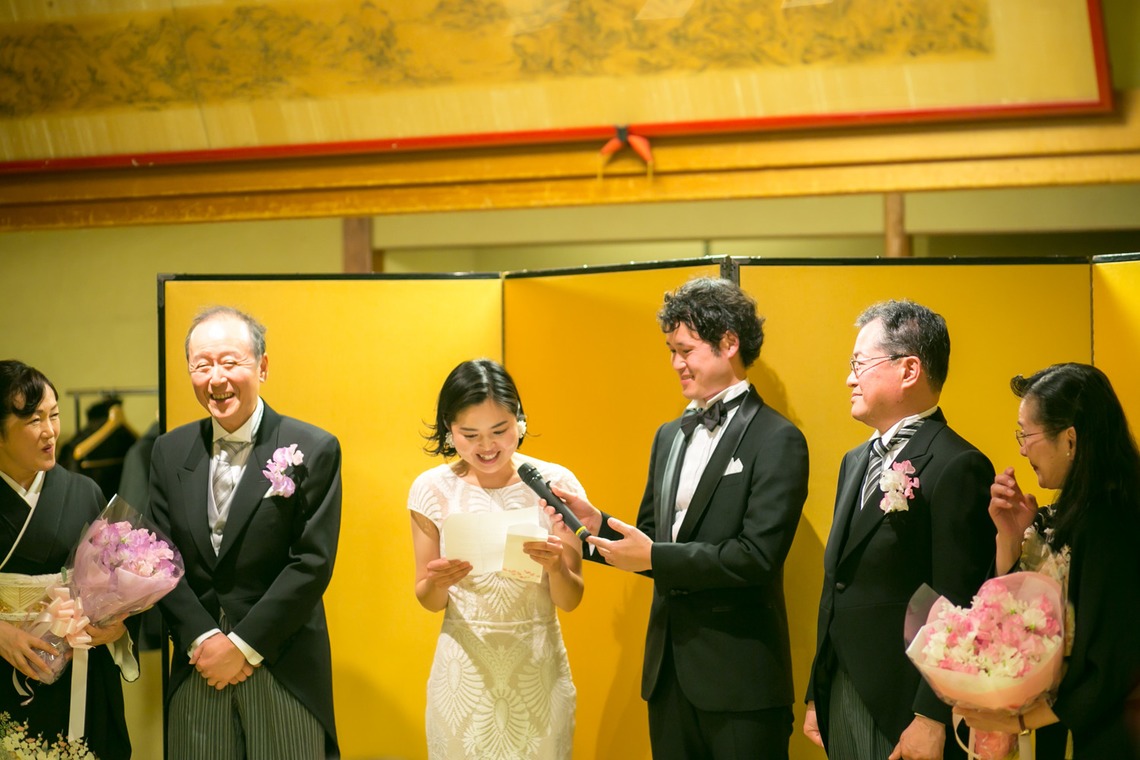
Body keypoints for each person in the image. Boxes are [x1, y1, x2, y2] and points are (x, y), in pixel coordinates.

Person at [553, 276, 810, 760]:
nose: (675, 363)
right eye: (671, 349)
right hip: (667, 679)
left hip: (742, 685)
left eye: (685, 350)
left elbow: (756, 558)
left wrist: (653, 554)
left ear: (728, 343)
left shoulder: (778, 439)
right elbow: (650, 545)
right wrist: (592, 523)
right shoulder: (669, 435)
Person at [803, 299, 995, 760]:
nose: (849, 378)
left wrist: (930, 715)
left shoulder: (957, 465)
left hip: (903, 702)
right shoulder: (856, 461)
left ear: (909, 370)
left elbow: (959, 600)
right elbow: (837, 582)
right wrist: (819, 687)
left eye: (859, 364)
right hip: (844, 688)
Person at [149, 307, 342, 759]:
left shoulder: (312, 448)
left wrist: (244, 645)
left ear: (263, 366)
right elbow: (155, 556)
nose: (217, 378)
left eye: (230, 362)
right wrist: (203, 638)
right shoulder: (168, 450)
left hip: (282, 659)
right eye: (202, 365)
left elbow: (311, 563)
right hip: (200, 664)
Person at [956, 363, 1140, 759]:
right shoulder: (1067, 513)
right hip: (1070, 731)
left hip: (1112, 736)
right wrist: (1009, 539)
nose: (1022, 449)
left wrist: (1023, 720)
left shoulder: (1115, 521)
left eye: (1027, 434)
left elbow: (1113, 663)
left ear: (1070, 439)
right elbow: (1012, 621)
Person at [408, 358, 585, 760]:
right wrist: (439, 581)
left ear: (519, 421)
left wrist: (557, 567)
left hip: (538, 673)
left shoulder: (556, 484)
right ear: (449, 430)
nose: (487, 447)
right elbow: (428, 598)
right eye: (469, 434)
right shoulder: (430, 490)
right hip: (461, 676)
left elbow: (571, 599)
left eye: (500, 431)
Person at [0, 360, 134, 758]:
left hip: (76, 673)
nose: (50, 431)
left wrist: (117, 627)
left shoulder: (84, 491)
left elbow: (115, 588)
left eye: (54, 415)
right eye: (33, 419)